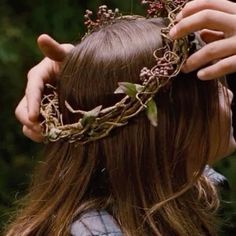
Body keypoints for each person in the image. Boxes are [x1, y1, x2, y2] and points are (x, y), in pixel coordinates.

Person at [6, 4, 236, 235]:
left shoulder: (166, 194)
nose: (229, 94)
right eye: (214, 89)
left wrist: (92, 77)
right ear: (166, 124)